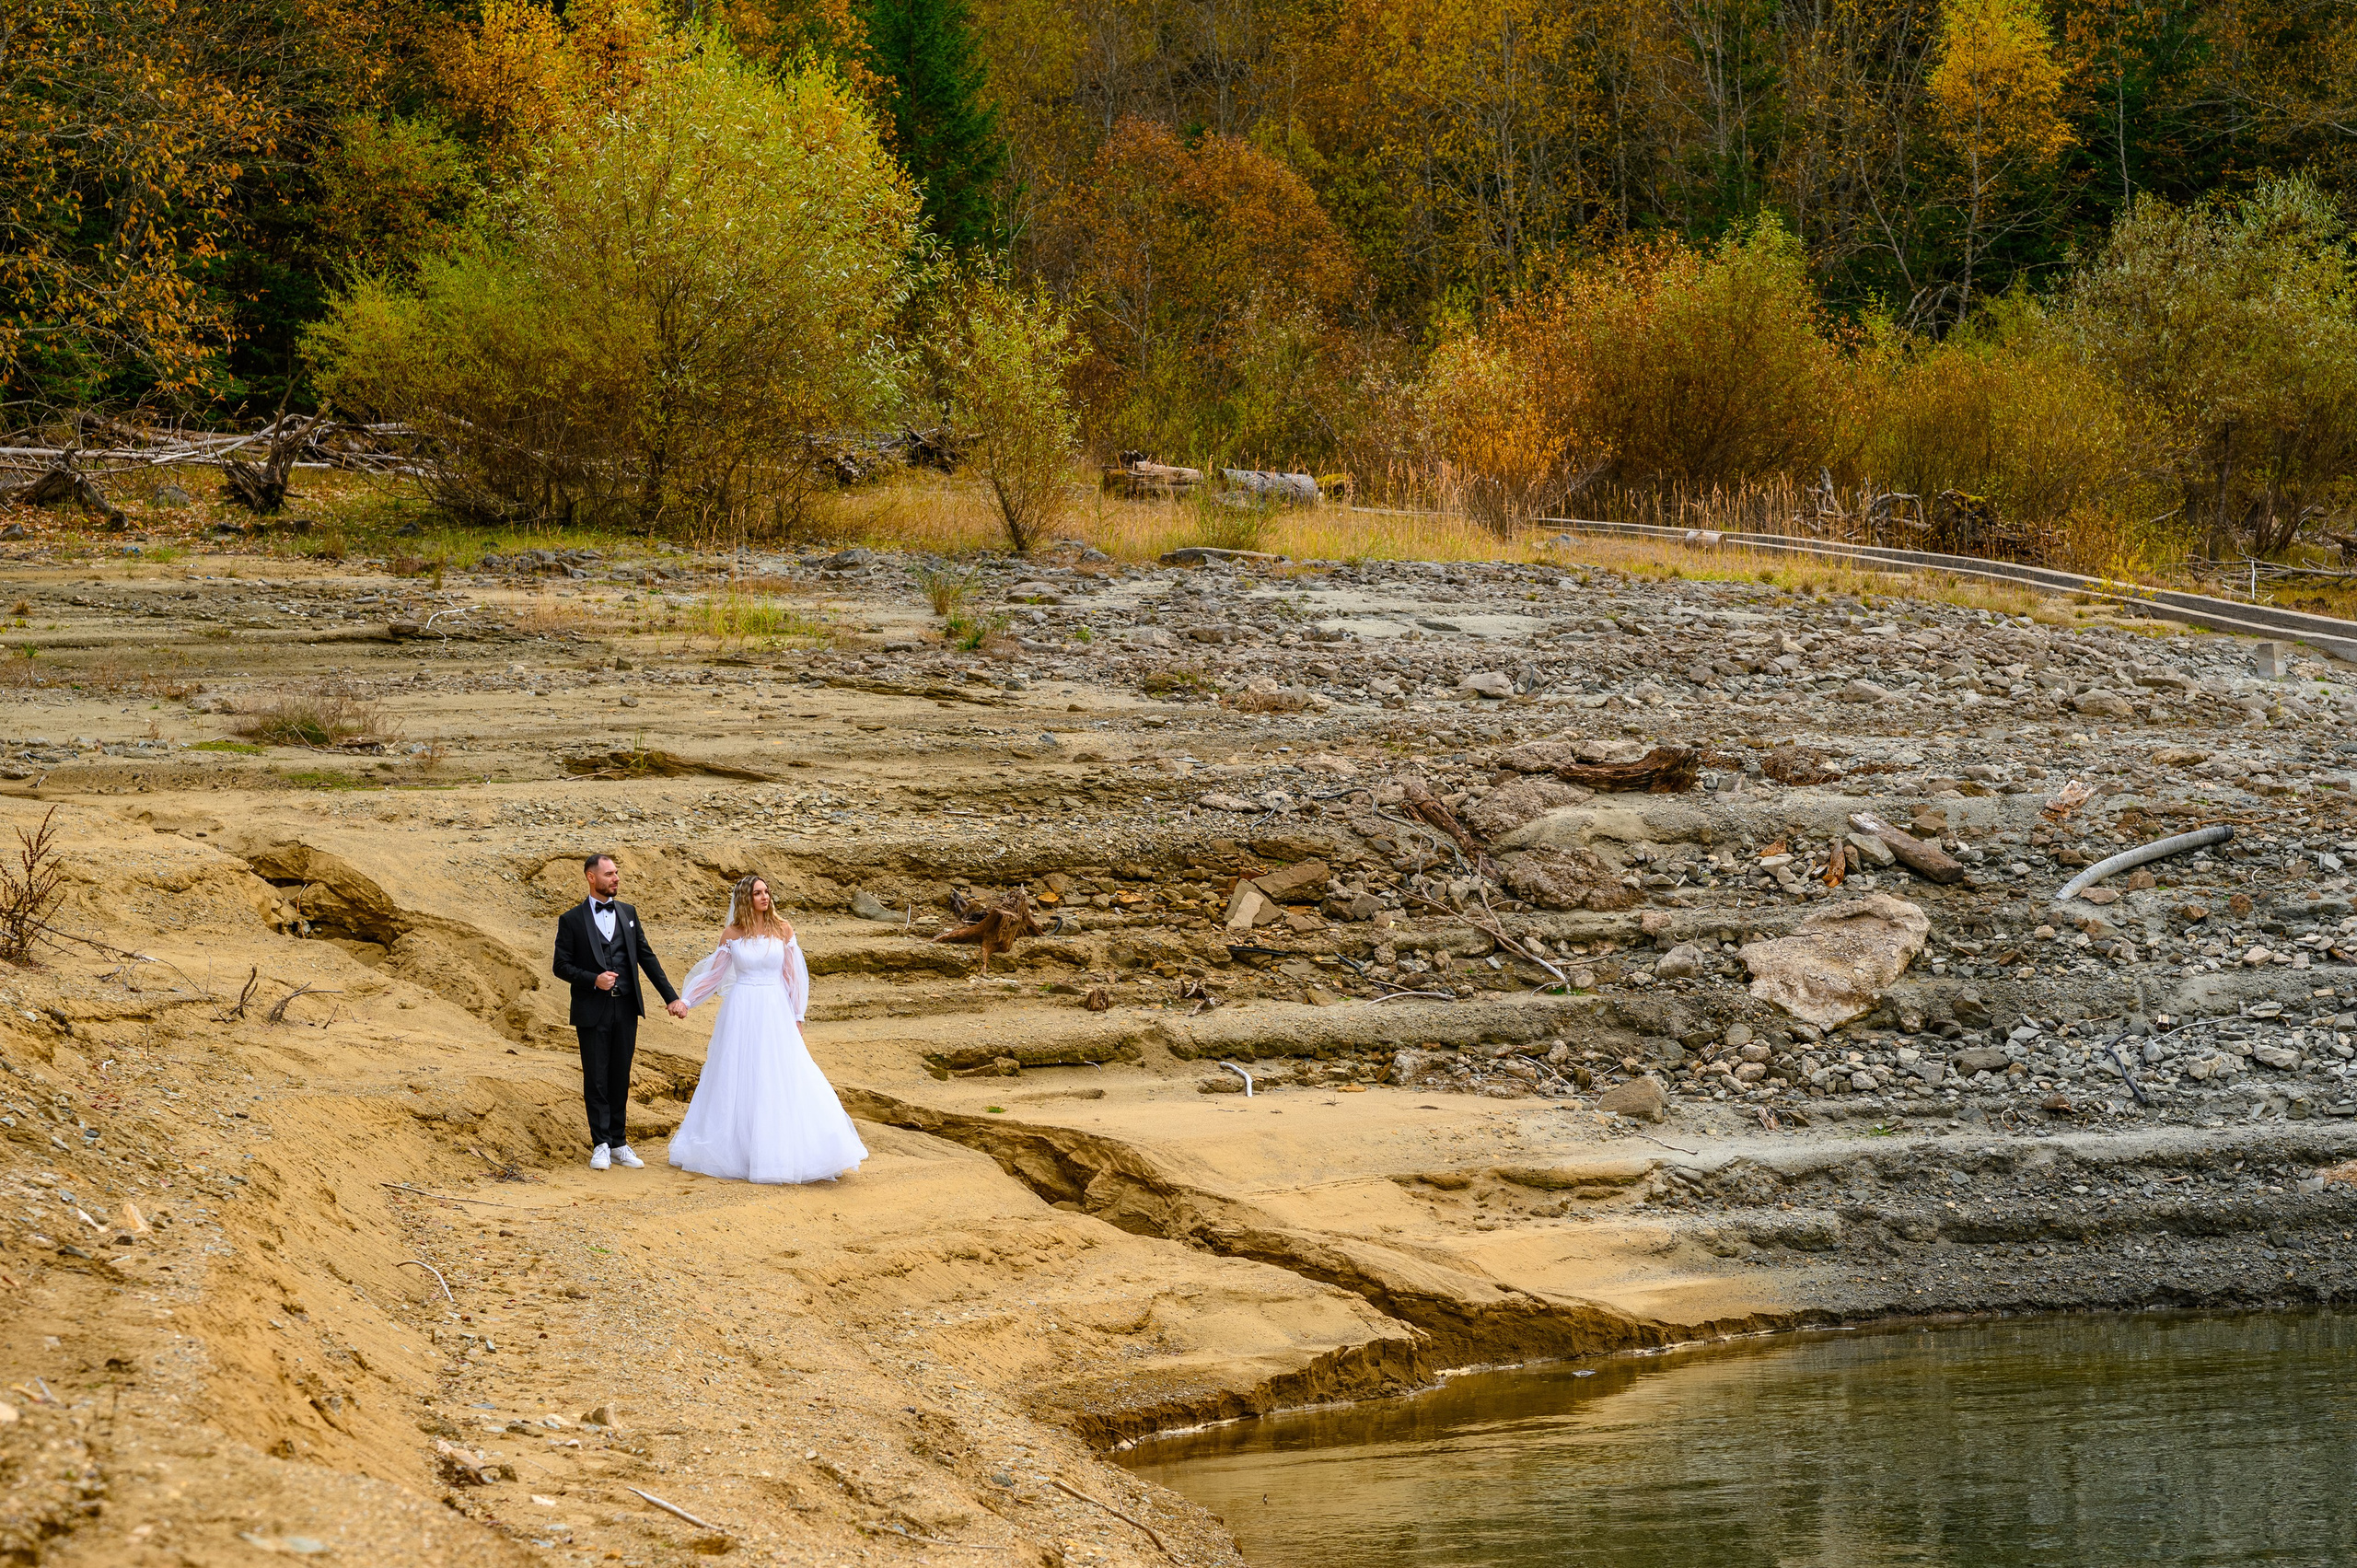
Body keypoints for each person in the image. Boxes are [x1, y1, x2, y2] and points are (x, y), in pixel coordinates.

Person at [668, 873, 867, 1185]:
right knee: (737, 1073)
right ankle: (741, 1152)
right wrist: (687, 1000)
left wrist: (797, 1015)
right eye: (758, 893)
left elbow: (792, 975)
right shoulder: (732, 933)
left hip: (775, 1010)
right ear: (745, 899)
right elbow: (715, 975)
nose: (765, 897)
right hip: (741, 1009)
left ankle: (787, 1150)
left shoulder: (782, 929)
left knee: (781, 1072)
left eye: (767, 892)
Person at [552, 853, 688, 1171]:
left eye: (616, 873)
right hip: (592, 1009)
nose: (616, 879)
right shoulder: (571, 919)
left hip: (626, 1006)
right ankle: (600, 1144)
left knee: (620, 1075)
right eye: (609, 874)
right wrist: (593, 979)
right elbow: (560, 966)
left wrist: (671, 998)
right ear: (591, 877)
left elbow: (646, 957)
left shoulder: (628, 913)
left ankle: (618, 1143)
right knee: (596, 1077)